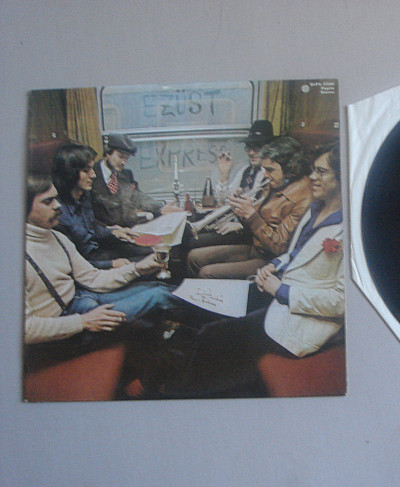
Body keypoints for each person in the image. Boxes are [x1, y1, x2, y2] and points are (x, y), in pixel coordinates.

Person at [162, 141, 343, 398]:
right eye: (313, 169)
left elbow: (341, 303)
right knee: (203, 315)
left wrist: (281, 291)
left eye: (321, 172)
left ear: (342, 177)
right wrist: (274, 264)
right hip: (276, 292)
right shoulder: (317, 207)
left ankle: (183, 395)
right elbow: (294, 251)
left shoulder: (346, 227)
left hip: (301, 317)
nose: (312, 176)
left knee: (214, 335)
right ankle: (176, 373)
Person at [24, 172, 182, 345]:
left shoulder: (56, 237)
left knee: (158, 287)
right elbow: (24, 329)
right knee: (158, 296)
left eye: (55, 198)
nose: (58, 205)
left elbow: (93, 278)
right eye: (48, 201)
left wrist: (137, 268)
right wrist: (82, 321)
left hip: (81, 301)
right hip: (65, 326)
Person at [186, 136, 313, 279]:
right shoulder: (276, 184)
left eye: (270, 170)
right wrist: (241, 210)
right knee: (194, 257)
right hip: (256, 248)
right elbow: (254, 224)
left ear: (290, 168)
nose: (265, 175)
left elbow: (280, 248)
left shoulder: (303, 197)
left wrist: (252, 215)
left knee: (207, 272)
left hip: (270, 259)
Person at [51, 142, 151, 269]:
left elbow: (91, 229)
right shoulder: (58, 213)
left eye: (92, 169)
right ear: (69, 173)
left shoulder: (84, 195)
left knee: (151, 251)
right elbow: (72, 263)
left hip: (99, 251)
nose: (93, 175)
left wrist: (114, 232)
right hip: (89, 265)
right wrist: (111, 264)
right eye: (86, 171)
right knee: (148, 264)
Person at [91, 133, 179, 228]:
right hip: (103, 230)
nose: (123, 162)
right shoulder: (91, 174)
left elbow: (138, 197)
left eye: (127, 158)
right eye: (121, 156)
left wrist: (161, 209)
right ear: (108, 153)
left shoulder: (126, 175)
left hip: (128, 228)